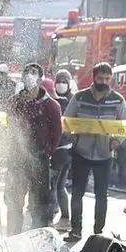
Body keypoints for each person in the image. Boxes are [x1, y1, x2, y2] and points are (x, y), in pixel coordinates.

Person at [65, 62, 126, 240]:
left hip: (105, 154)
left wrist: (116, 141)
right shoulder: (79, 97)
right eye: (101, 78)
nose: (104, 82)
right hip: (81, 153)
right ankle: (75, 230)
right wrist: (75, 139)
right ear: (94, 77)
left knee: (101, 195)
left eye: (108, 78)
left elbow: (124, 125)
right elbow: (67, 121)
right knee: (77, 193)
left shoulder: (118, 100)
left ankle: (98, 234)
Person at [4, 64, 61, 236]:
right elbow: (9, 127)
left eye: (34, 73)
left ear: (40, 78)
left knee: (39, 205)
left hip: (39, 159)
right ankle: (13, 237)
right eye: (27, 72)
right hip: (17, 159)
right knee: (14, 203)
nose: (29, 76)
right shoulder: (13, 102)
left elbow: (56, 133)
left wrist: (47, 152)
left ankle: (37, 238)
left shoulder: (51, 105)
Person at [51, 69, 75, 229]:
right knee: (60, 186)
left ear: (69, 83)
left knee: (53, 185)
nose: (61, 84)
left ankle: (52, 215)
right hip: (62, 149)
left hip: (62, 149)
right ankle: (65, 216)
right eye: (59, 81)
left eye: (64, 81)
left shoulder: (71, 101)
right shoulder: (56, 100)